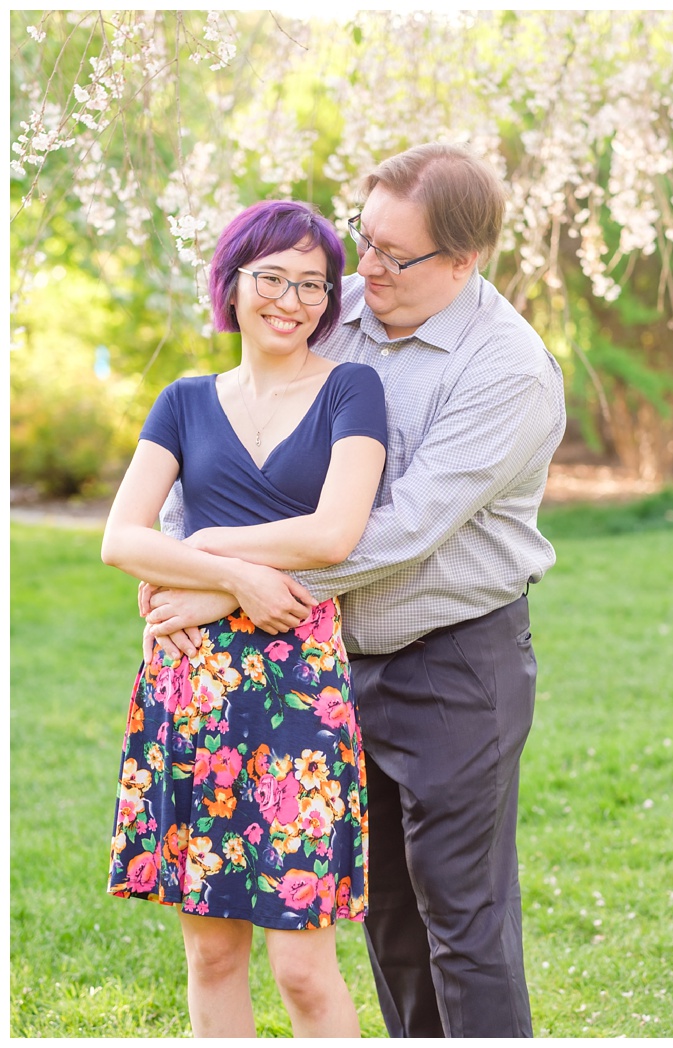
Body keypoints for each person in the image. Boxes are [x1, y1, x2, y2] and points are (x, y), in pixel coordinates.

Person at [143, 143, 566, 1037]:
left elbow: (401, 529)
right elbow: (237, 436)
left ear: (463, 260)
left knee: (463, 921)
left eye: (393, 255)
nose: (362, 269)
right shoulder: (343, 315)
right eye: (363, 239)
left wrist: (225, 586)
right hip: (322, 667)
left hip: (454, 663)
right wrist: (182, 555)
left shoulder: (508, 372)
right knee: (387, 920)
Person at [102, 199, 388, 1036]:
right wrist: (237, 578)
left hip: (299, 689)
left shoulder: (351, 389)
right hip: (191, 686)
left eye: (313, 284)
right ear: (231, 285)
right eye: (272, 278)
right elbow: (122, 538)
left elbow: (335, 533)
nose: (291, 300)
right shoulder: (183, 402)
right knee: (213, 955)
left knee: (302, 966)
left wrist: (215, 554)